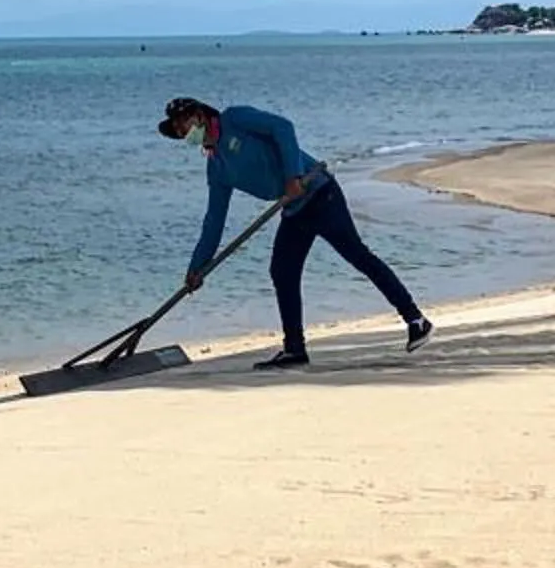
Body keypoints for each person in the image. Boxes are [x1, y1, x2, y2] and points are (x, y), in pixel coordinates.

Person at [159, 95, 433, 370]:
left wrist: (292, 175)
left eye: (186, 121)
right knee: (282, 272)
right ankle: (294, 349)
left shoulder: (235, 119)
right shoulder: (217, 167)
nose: (184, 131)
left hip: (319, 192)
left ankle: (415, 320)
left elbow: (283, 128)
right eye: (179, 129)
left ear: (201, 115)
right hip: (294, 210)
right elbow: (214, 221)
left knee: (358, 256)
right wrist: (198, 267)